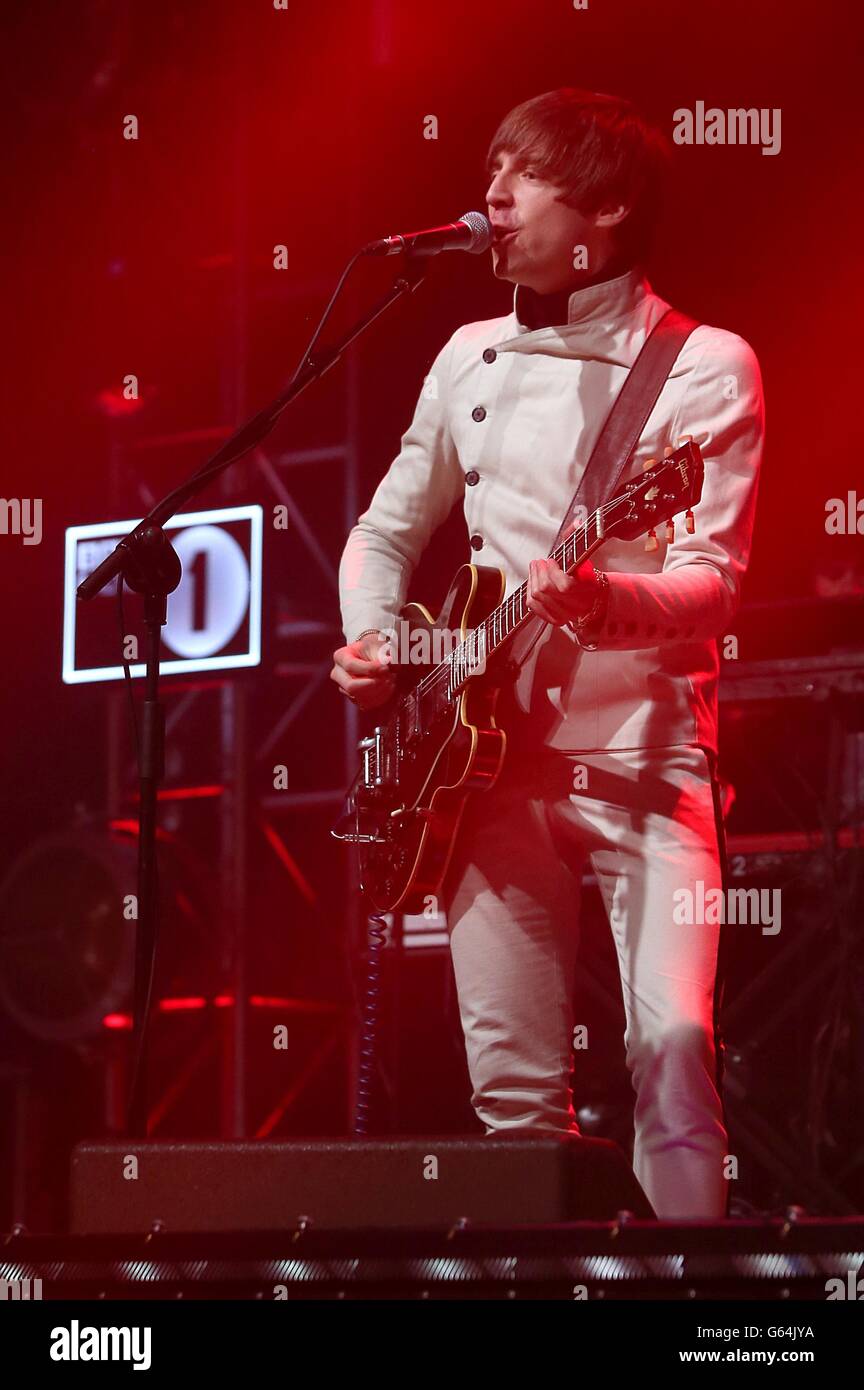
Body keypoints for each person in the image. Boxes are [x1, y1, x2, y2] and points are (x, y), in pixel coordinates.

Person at [330, 87, 765, 1220]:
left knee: (671, 1054)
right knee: (513, 1103)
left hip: (648, 761)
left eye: (522, 174)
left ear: (607, 208)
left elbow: (714, 584)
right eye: (490, 168)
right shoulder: (468, 355)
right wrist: (377, 635)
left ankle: (704, 1320)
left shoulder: (708, 363)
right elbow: (384, 530)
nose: (492, 197)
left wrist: (596, 596)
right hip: (486, 764)